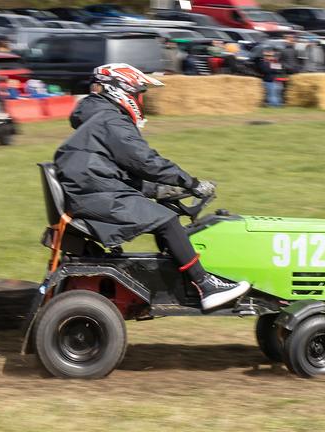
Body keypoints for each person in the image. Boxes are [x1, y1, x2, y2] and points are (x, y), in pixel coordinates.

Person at [53, 63, 250, 310]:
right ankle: (205, 285)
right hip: (94, 195)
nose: (140, 99)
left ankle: (182, 281)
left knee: (162, 218)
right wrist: (191, 183)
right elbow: (145, 161)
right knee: (166, 221)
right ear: (121, 91)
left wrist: (156, 190)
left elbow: (113, 170)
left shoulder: (99, 116)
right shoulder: (111, 120)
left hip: (92, 191)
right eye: (138, 94)